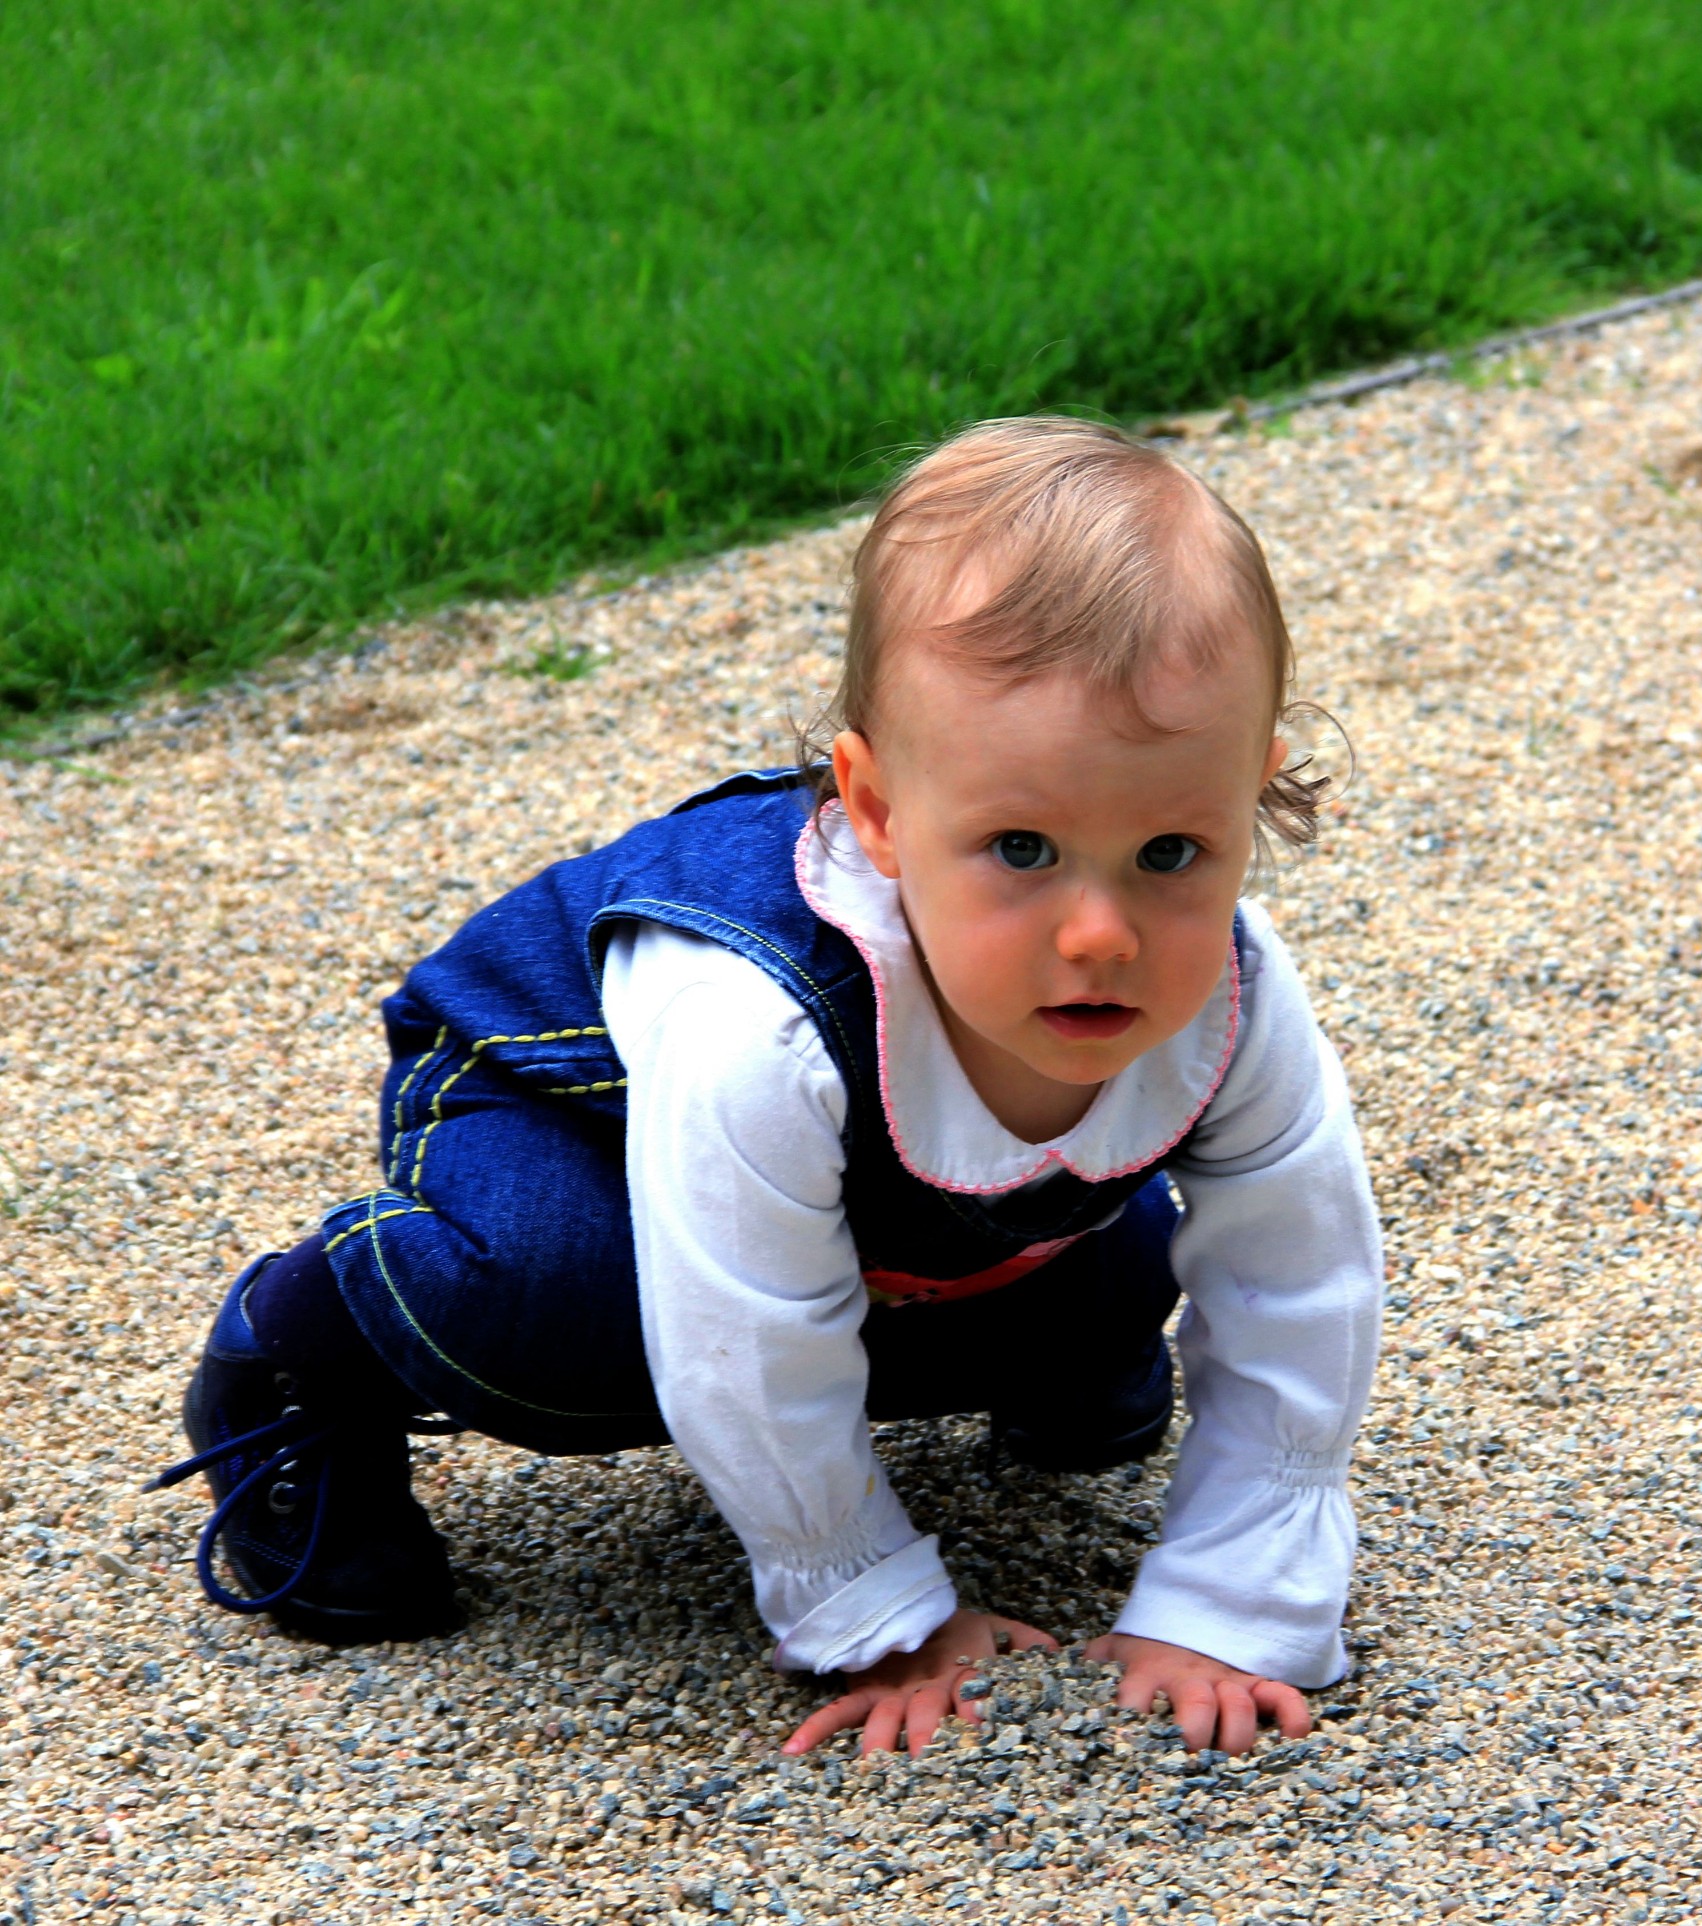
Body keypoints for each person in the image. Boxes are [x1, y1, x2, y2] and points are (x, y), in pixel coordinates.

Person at [150, 416, 1385, 1760]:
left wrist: (1235, 1600)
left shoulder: (1233, 989)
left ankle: (1058, 1328)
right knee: (558, 1303)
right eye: (1020, 846)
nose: (1101, 931)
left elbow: (1298, 1278)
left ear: (1249, 796)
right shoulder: (760, 1021)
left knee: (1121, 1248)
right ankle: (300, 1340)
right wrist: (872, 1605)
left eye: (1170, 849)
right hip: (557, 1101)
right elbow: (740, 1339)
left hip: (896, 1192)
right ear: (879, 807)